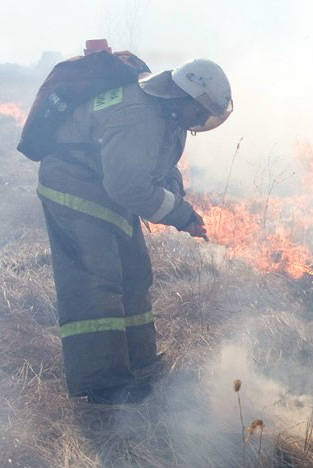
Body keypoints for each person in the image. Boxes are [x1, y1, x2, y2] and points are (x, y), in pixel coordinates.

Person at [36, 58, 232, 404]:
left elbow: (155, 163)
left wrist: (173, 186)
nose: (202, 122)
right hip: (75, 189)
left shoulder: (167, 115)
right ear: (185, 97)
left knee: (135, 274)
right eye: (201, 113)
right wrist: (182, 215)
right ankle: (104, 385)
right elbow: (127, 186)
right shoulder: (137, 114)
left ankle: (139, 364)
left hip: (105, 194)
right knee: (97, 281)